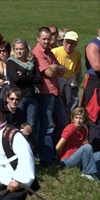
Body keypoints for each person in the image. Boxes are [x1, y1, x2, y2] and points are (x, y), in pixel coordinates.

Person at [32, 26, 67, 167]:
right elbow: (49, 73)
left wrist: (55, 68)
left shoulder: (49, 52)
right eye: (44, 39)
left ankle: (54, 154)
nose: (47, 41)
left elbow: (62, 70)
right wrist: (55, 68)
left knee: (62, 123)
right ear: (38, 38)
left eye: (48, 38)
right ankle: (46, 160)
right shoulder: (38, 53)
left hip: (55, 91)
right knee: (47, 126)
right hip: (45, 93)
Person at [6, 38, 41, 147]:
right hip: (18, 97)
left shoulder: (31, 62)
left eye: (21, 49)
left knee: (31, 125)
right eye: (16, 49)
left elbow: (39, 79)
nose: (19, 51)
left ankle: (30, 149)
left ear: (26, 49)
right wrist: (30, 77)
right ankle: (17, 147)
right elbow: (16, 79)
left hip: (31, 96)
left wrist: (24, 76)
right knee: (18, 123)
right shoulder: (11, 62)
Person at [55, 107, 99, 181]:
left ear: (84, 119)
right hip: (67, 160)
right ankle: (87, 173)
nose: (78, 121)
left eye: (81, 118)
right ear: (73, 118)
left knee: (98, 154)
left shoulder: (83, 130)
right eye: (76, 118)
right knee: (88, 147)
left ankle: (96, 173)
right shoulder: (70, 128)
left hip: (77, 159)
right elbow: (58, 147)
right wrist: (58, 160)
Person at [52, 31, 82, 121]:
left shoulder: (77, 54)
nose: (69, 45)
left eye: (72, 43)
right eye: (67, 42)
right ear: (63, 41)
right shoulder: (55, 52)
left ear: (76, 44)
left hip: (70, 84)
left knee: (72, 108)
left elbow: (76, 71)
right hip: (58, 84)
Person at [81, 28, 100, 153]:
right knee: (95, 117)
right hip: (95, 84)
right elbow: (97, 66)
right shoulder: (93, 45)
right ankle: (95, 155)